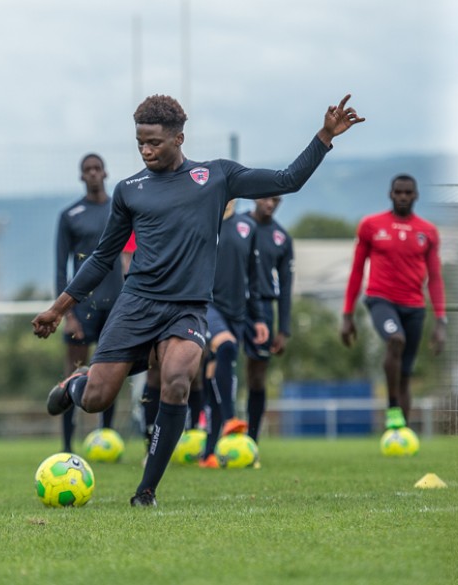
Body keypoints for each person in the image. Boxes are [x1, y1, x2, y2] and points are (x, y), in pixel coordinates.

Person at [33, 93, 365, 506]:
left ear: (179, 138)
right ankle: (78, 383)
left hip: (186, 308)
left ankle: (146, 491)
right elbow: (102, 257)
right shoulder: (130, 190)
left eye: (154, 142)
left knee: (176, 381)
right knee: (98, 399)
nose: (146, 150)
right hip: (135, 305)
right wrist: (58, 308)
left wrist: (324, 136)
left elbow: (286, 181)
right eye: (140, 143)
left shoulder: (216, 177)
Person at [340, 174, 446, 431]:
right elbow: (356, 271)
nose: (402, 197)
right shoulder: (371, 225)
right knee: (395, 340)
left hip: (415, 307)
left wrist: (441, 321)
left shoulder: (428, 232)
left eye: (408, 192)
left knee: (406, 375)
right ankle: (392, 407)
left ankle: (400, 434)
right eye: (398, 192)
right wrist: (347, 315)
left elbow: (435, 278)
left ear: (415, 196)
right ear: (390, 194)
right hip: (380, 301)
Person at [54, 153, 124, 453]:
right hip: (81, 309)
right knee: (74, 372)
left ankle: (105, 439)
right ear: (82, 176)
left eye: (97, 168)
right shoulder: (70, 215)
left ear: (105, 173)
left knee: (109, 372)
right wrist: (67, 314)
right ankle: (67, 446)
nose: (93, 173)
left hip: (116, 304)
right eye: (87, 170)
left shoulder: (120, 209)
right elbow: (61, 268)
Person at [200, 200, 269, 468]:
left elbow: (253, 277)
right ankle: (231, 420)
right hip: (205, 304)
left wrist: (259, 317)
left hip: (237, 312)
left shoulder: (247, 226)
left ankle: (208, 453)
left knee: (216, 373)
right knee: (226, 347)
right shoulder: (203, 221)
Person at [246, 195, 294, 444]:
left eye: (276, 199)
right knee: (216, 365)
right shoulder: (236, 224)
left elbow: (286, 287)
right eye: (266, 197)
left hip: (263, 308)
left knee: (257, 375)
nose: (270, 203)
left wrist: (284, 329)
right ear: (255, 197)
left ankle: (251, 439)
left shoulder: (282, 238)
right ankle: (213, 430)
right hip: (230, 304)